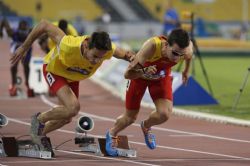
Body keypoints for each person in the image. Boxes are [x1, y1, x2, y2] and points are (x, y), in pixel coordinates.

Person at [10, 19, 134, 152]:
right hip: (54, 71)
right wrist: (24, 46)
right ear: (86, 45)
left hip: (73, 77)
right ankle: (39, 119)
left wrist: (136, 61)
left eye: (101, 58)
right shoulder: (68, 44)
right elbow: (44, 25)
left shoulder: (108, 50)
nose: (96, 61)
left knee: (67, 117)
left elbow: (128, 55)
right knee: (73, 107)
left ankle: (38, 134)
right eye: (95, 56)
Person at [105, 28, 193, 156]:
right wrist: (144, 71)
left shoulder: (185, 50)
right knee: (130, 118)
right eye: (175, 53)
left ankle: (146, 126)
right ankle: (112, 133)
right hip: (139, 78)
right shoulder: (151, 47)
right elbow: (128, 74)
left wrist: (185, 71)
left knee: (164, 114)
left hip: (160, 78)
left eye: (181, 54)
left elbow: (189, 56)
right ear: (166, 45)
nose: (177, 58)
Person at [0, 18, 34, 97]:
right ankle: (13, 83)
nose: (22, 35)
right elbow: (4, 21)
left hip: (26, 50)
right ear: (18, 29)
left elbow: (4, 21)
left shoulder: (30, 32)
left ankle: (27, 84)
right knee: (14, 66)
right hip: (16, 49)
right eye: (21, 33)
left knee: (26, 66)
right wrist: (0, 30)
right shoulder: (13, 32)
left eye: (24, 33)